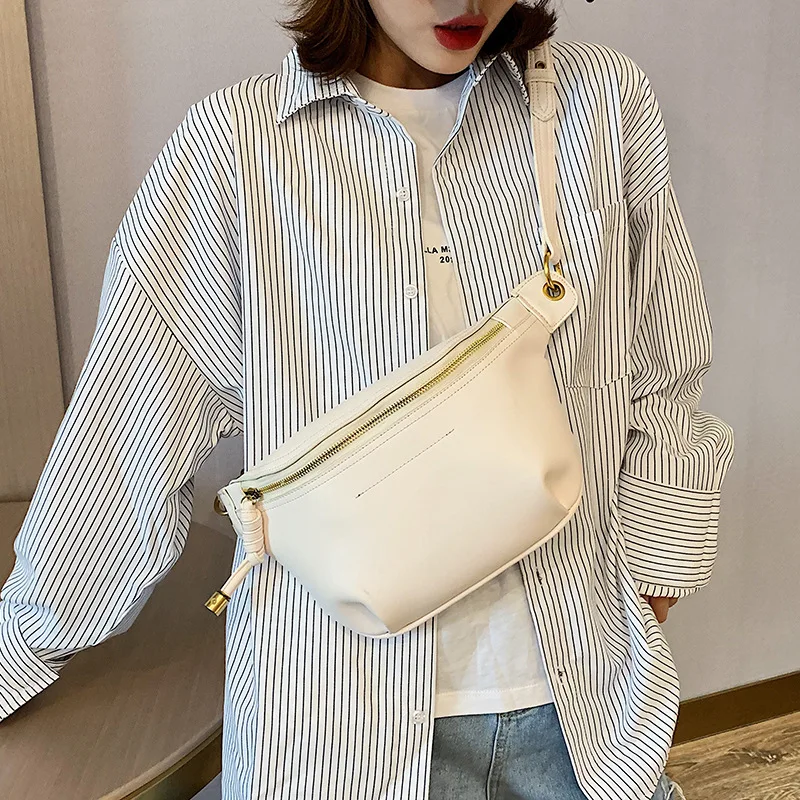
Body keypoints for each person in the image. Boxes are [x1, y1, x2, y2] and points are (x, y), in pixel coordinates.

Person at [0, 1, 734, 798]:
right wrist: (20, 647)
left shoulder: (600, 103)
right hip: (339, 720)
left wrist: (656, 572)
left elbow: (663, 365)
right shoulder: (238, 148)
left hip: (585, 710)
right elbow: (126, 434)